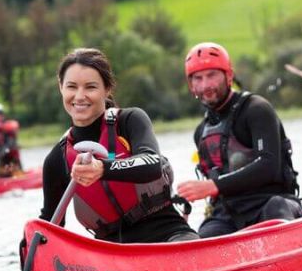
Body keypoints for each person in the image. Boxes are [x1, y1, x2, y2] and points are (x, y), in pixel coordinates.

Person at [40, 48, 198, 243]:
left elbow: (152, 164)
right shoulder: (57, 160)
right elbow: (49, 224)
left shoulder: (130, 120)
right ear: (61, 87)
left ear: (107, 89)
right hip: (111, 255)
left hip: (169, 234)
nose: (80, 96)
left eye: (90, 87)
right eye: (72, 87)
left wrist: (102, 168)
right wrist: (31, 240)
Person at [176, 42, 302, 238]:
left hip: (272, 202)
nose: (205, 85)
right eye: (198, 79)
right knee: (204, 235)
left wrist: (212, 186)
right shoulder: (201, 132)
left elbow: (268, 166)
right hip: (228, 213)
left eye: (212, 75)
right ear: (191, 85)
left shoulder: (256, 109)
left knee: (275, 208)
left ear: (229, 76)